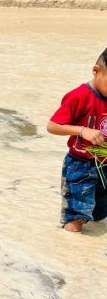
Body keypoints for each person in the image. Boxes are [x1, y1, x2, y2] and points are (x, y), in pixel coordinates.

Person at [46, 47, 107, 233]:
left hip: (104, 165)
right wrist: (82, 131)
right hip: (80, 167)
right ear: (96, 71)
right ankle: (68, 247)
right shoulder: (79, 96)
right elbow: (52, 126)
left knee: (99, 215)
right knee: (76, 216)